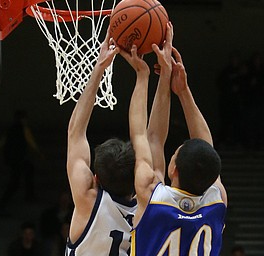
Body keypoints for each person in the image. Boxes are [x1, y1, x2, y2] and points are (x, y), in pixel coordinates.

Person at [125, 26, 228, 255]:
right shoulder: (216, 201)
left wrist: (154, 78)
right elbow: (206, 151)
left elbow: (149, 137)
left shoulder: (152, 196)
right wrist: (182, 91)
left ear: (173, 169)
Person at [64, 29, 137, 256]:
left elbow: (75, 133)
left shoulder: (88, 201)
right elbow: (153, 138)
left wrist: (99, 69)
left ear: (95, 178)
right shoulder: (149, 210)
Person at [0, 109, 42, 216]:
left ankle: (29, 195)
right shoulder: (23, 128)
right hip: (18, 160)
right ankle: (1, 206)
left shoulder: (11, 129)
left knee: (28, 170)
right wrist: (40, 154)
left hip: (14, 160)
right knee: (14, 183)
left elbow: (1, 143)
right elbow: (31, 142)